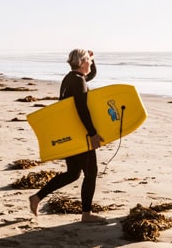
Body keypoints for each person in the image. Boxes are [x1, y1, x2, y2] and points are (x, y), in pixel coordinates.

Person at [29, 49, 106, 223]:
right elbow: (82, 109)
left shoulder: (70, 78)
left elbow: (91, 75)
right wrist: (93, 134)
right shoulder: (78, 82)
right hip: (79, 135)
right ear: (82, 62)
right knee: (91, 173)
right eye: (89, 61)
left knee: (72, 173)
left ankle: (37, 197)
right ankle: (86, 214)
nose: (91, 64)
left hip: (69, 133)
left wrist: (94, 58)